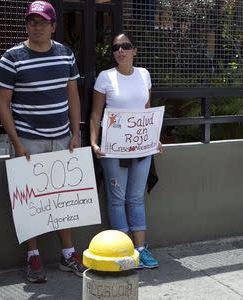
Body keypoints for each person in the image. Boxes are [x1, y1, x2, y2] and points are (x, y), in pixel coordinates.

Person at [0, 1, 85, 282]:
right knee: (29, 203)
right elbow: (3, 103)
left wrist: (76, 133)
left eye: (43, 22)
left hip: (62, 140)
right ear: (27, 25)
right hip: (28, 143)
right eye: (32, 21)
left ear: (53, 26)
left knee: (63, 200)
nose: (37, 26)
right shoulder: (12, 57)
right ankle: (33, 258)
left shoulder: (65, 54)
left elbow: (72, 96)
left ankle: (68, 254)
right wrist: (17, 143)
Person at [89, 33, 159, 269]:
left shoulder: (144, 75)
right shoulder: (105, 77)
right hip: (114, 148)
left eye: (125, 46)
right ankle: (125, 251)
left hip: (141, 147)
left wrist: (154, 139)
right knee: (117, 200)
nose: (120, 50)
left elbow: (147, 110)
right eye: (116, 47)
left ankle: (140, 249)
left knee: (136, 198)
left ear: (134, 51)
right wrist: (94, 142)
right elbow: (96, 113)